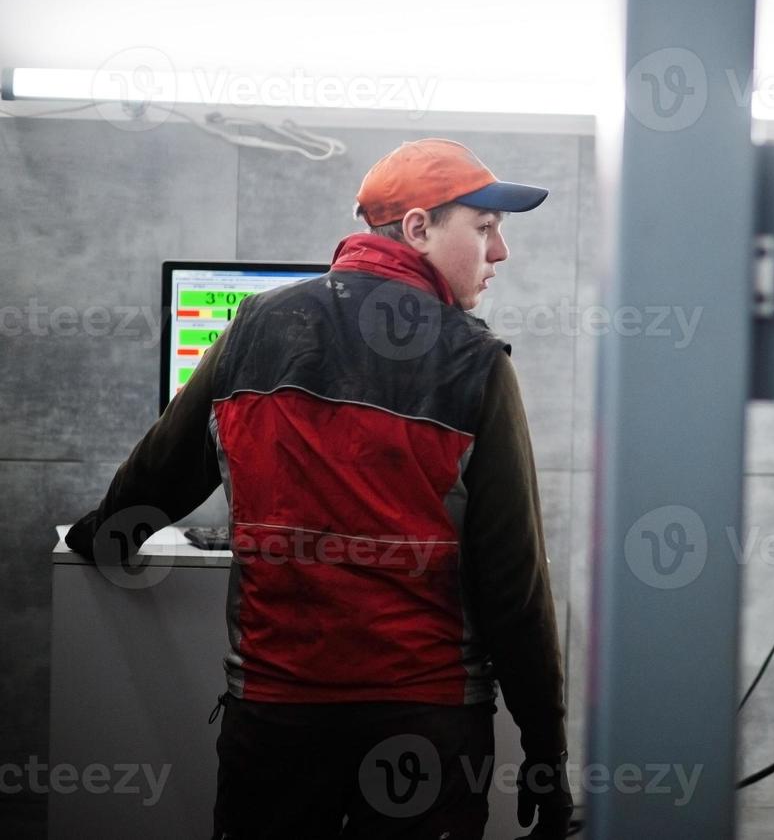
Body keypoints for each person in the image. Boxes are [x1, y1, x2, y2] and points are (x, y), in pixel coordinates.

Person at [65, 138, 573, 839]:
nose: (500, 253)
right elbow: (512, 583)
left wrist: (98, 539)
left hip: (274, 717)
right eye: (484, 229)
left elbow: (156, 479)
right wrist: (545, 751)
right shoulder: (474, 362)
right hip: (422, 723)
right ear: (419, 228)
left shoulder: (253, 327)